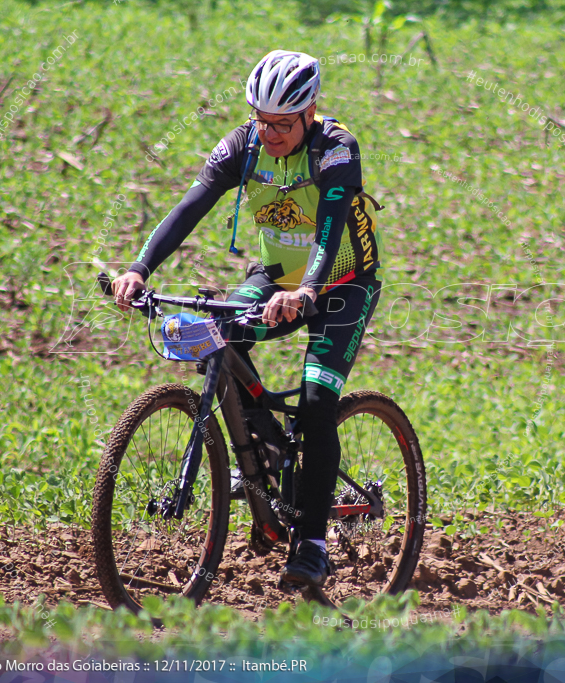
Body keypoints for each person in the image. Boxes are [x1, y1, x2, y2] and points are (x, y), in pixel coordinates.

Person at [111, 50, 383, 587]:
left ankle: (311, 542)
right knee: (216, 335)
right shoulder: (244, 144)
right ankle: (259, 455)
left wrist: (308, 290)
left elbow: (330, 227)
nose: (272, 132)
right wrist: (140, 267)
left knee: (315, 401)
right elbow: (193, 204)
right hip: (277, 278)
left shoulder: (336, 149)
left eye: (284, 123)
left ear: (309, 114)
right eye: (263, 120)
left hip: (341, 284)